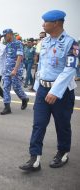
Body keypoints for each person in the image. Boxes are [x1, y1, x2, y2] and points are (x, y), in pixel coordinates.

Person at [19, 10, 79, 172]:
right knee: (38, 124)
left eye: (46, 22)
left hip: (62, 92)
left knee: (62, 124)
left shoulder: (71, 43)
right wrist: (38, 88)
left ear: (57, 23)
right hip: (42, 90)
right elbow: (42, 66)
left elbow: (70, 69)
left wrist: (55, 91)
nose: (42, 25)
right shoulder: (44, 42)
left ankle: (63, 152)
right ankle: (34, 158)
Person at [0, 29, 29, 115]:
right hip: (7, 70)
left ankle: (24, 98)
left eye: (5, 36)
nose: (4, 37)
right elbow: (6, 58)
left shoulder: (18, 43)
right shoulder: (8, 45)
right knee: (5, 87)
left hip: (16, 70)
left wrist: (15, 70)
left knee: (16, 87)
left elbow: (20, 57)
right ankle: (7, 107)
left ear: (10, 34)